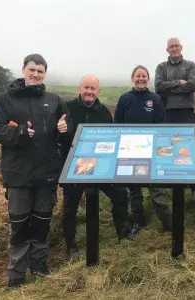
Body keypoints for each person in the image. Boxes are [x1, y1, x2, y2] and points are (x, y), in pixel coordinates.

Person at [0, 54, 71, 288]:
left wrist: (64, 129)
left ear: (45, 74)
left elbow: (65, 128)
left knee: (42, 223)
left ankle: (40, 268)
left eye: (40, 71)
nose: (35, 74)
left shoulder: (54, 100)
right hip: (18, 175)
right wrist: (20, 133)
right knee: (20, 225)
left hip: (47, 174)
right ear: (23, 70)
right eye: (32, 70)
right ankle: (16, 277)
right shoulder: (6, 100)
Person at [60, 74, 134, 261]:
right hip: (74, 168)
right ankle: (71, 246)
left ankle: (123, 232)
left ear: (98, 91)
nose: (89, 92)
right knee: (70, 208)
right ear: (80, 88)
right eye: (86, 87)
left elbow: (111, 137)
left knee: (121, 194)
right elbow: (59, 137)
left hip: (100, 166)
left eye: (93, 89)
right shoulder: (67, 108)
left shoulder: (103, 111)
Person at [114, 65, 172, 233]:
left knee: (156, 187)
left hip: (151, 149)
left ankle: (167, 223)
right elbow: (117, 124)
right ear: (132, 79)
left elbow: (161, 123)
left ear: (148, 79)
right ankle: (139, 220)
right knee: (134, 189)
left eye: (144, 76)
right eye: (138, 76)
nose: (141, 78)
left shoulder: (154, 99)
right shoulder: (125, 98)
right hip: (130, 150)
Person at [155, 37, 195, 124]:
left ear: (181, 48)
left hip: (187, 111)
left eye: (176, 46)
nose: (174, 49)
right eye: (171, 46)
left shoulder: (190, 65)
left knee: (187, 137)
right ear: (167, 50)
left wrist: (168, 89)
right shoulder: (161, 67)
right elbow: (158, 87)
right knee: (168, 137)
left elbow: (193, 85)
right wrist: (179, 82)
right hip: (167, 111)